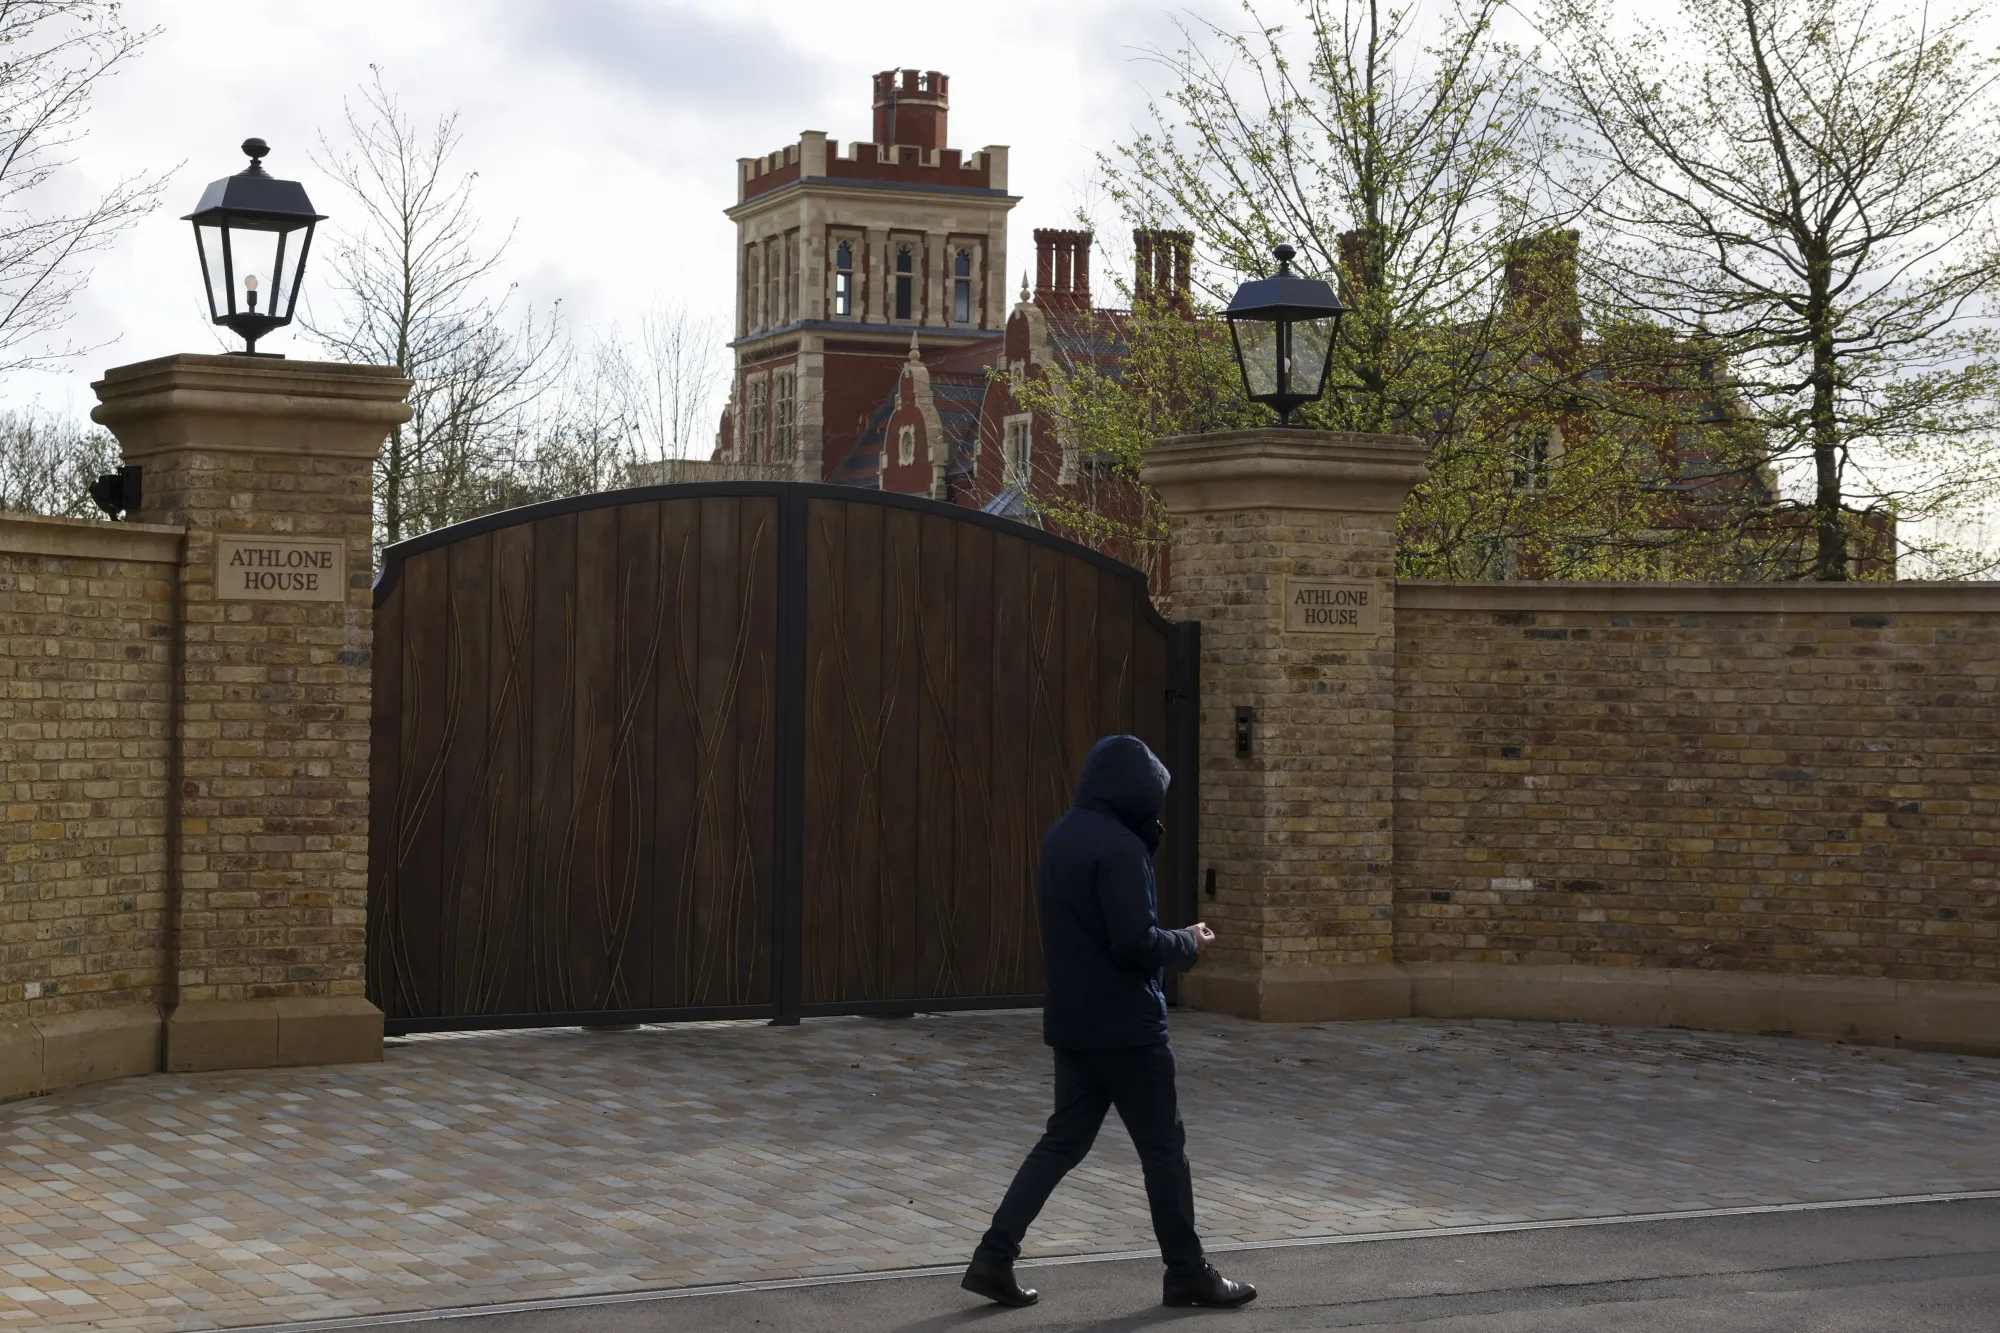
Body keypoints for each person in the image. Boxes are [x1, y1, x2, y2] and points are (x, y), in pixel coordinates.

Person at [960, 734, 1256, 1310]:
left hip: (1073, 1021)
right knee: (1163, 1149)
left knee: (1061, 1143)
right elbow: (1135, 943)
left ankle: (993, 1257)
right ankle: (1187, 1272)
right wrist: (1188, 941)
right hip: (1128, 1028)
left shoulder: (1062, 835)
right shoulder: (1120, 848)